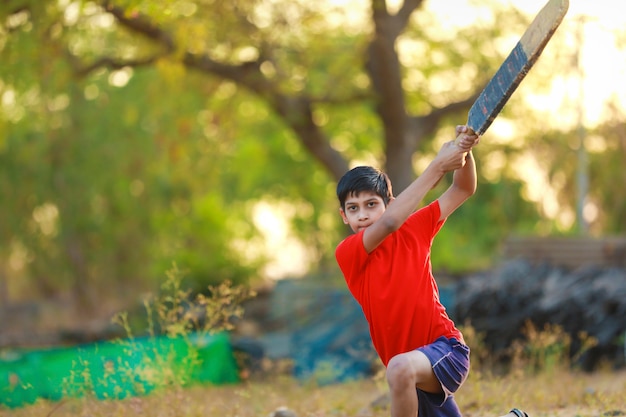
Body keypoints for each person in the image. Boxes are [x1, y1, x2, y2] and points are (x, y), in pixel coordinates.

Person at [334, 125, 528, 417]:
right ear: (344, 216)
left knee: (399, 367)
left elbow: (462, 188)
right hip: (413, 378)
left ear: (391, 204)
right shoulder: (349, 252)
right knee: (400, 368)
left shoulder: (415, 228)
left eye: (371, 204)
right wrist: (438, 166)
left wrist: (464, 151)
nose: (362, 215)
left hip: (444, 350)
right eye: (353, 208)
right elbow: (387, 225)